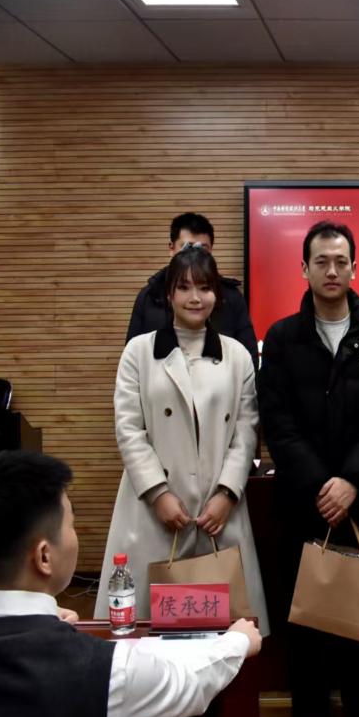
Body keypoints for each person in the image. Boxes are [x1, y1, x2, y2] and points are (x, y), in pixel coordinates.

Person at [0, 450, 263, 717]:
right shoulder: (109, 672)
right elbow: (186, 684)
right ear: (44, 557)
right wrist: (237, 641)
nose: (74, 536)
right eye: (70, 524)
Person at [258, 220, 359, 717]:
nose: (332, 270)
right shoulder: (282, 339)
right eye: (322, 261)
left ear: (355, 268)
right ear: (304, 268)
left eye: (341, 261)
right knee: (306, 643)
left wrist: (351, 481)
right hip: (304, 509)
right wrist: (323, 485)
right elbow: (276, 421)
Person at [94, 247, 269, 635]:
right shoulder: (139, 352)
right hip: (153, 511)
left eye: (204, 288)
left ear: (216, 295)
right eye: (184, 287)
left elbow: (245, 431)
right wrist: (159, 493)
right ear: (169, 294)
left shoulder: (238, 357)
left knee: (222, 633)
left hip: (217, 513)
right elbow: (129, 428)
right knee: (147, 634)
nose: (195, 297)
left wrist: (227, 494)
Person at [126, 212, 258, 365]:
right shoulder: (150, 295)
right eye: (187, 248)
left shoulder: (231, 296)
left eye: (202, 249)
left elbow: (249, 358)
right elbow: (134, 356)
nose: (194, 256)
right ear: (171, 248)